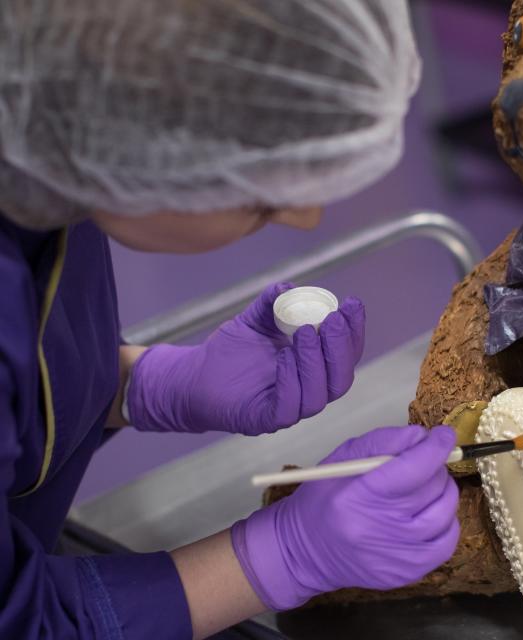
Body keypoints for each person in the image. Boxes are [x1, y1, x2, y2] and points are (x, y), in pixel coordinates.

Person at [0, 2, 460, 638]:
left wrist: (149, 386)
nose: (306, 218)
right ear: (137, 129)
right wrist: (280, 556)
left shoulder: (40, 147)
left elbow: (27, 369)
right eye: (263, 193)